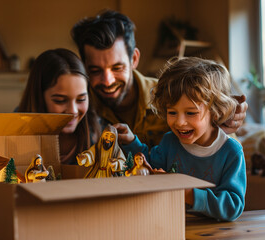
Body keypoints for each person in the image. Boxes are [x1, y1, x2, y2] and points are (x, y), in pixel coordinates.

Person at [71, 9, 248, 148]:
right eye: (95, 70)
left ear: (134, 59)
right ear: (84, 67)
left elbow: (229, 155)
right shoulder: (79, 109)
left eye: (117, 68)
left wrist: (221, 124)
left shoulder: (173, 94)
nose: (107, 81)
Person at [117, 57, 246, 222]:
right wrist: (130, 142)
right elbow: (147, 168)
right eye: (172, 112)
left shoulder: (231, 152)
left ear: (215, 111)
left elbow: (233, 206)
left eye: (191, 113)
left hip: (215, 232)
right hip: (170, 225)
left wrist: (187, 193)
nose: (179, 122)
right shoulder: (169, 142)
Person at [17, 48, 100, 165]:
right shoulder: (15, 132)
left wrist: (131, 144)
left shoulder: (100, 134)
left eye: (81, 99)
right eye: (60, 101)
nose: (73, 111)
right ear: (39, 98)